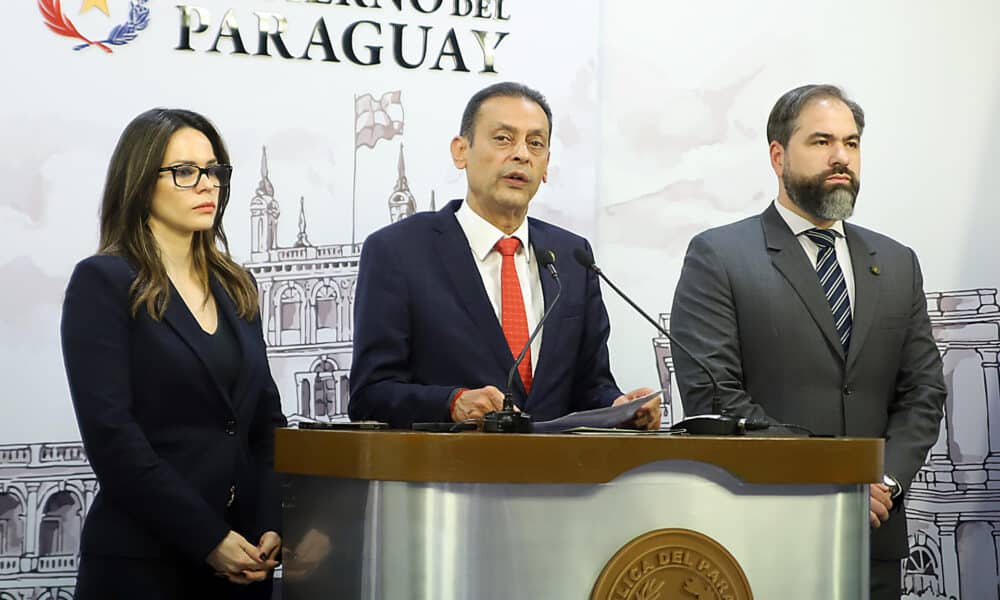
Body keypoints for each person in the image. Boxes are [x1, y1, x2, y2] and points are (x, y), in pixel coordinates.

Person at [669, 84, 946, 600]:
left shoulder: (897, 262)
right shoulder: (720, 256)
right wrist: (830, 485)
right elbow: (715, 398)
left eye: (852, 142)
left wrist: (881, 484)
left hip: (873, 541)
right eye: (821, 142)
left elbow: (923, 393)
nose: (841, 156)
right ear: (778, 156)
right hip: (762, 536)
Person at [61, 108, 287, 598]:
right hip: (145, 563)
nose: (207, 185)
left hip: (243, 564)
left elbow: (265, 423)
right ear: (141, 182)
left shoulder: (237, 285)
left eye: (214, 171)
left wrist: (270, 523)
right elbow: (113, 440)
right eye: (185, 172)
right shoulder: (103, 282)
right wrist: (209, 539)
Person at [349, 82, 660, 429]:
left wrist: (617, 406)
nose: (521, 154)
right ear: (460, 151)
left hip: (558, 480)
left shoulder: (572, 257)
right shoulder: (399, 251)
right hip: (445, 475)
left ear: (545, 167)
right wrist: (452, 403)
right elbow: (370, 394)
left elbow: (590, 385)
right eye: (503, 139)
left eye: (535, 143)